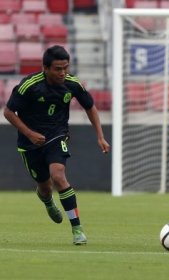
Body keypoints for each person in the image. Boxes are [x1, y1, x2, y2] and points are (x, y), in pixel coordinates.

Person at [3, 45, 110, 245]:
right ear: (46, 68)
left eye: (66, 68)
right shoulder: (30, 85)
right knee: (45, 186)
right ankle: (47, 201)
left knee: (59, 176)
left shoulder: (72, 83)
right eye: (58, 69)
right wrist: (29, 133)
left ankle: (77, 229)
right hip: (30, 142)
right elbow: (8, 112)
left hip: (56, 135)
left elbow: (90, 106)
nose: (63, 73)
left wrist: (100, 137)